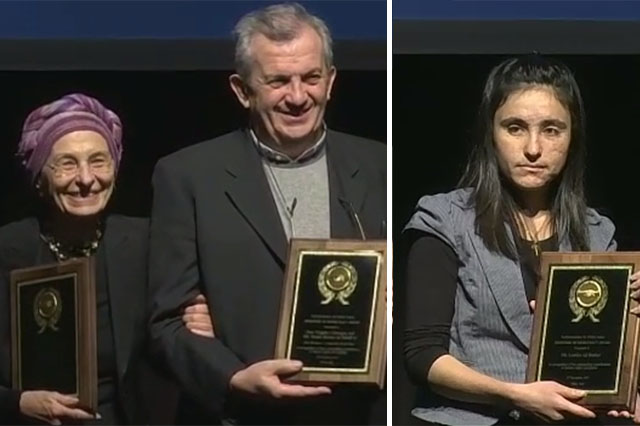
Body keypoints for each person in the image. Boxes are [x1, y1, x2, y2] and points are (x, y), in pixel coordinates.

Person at [147, 3, 386, 424]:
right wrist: (235, 377)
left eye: (311, 78)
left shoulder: (379, 165)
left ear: (330, 81)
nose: (298, 96)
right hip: (243, 413)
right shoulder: (187, 176)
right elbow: (167, 324)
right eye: (278, 81)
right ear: (242, 90)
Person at [402, 55, 640, 425]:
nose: (533, 148)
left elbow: (603, 361)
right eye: (515, 128)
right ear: (490, 135)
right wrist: (516, 394)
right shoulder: (444, 218)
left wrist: (631, 325)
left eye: (551, 129)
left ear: (572, 136)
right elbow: (422, 355)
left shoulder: (597, 234)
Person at [0, 93, 213, 425]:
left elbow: (184, 327)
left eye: (98, 161)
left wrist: (201, 321)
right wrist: (17, 402)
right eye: (67, 164)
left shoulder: (149, 243)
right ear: (39, 178)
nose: (86, 179)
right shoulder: (8, 250)